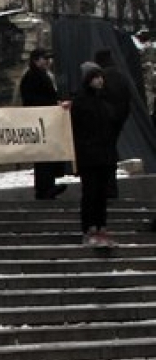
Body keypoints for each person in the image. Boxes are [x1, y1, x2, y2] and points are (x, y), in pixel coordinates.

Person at [71, 62, 118, 247]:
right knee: (90, 192)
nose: (100, 81)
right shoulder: (81, 102)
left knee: (101, 193)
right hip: (89, 156)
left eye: (101, 77)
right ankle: (89, 228)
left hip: (104, 154)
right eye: (96, 77)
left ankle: (101, 226)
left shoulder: (104, 101)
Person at [18, 48, 68, 200]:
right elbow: (32, 100)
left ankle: (47, 186)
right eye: (44, 59)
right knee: (43, 156)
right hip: (40, 120)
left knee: (47, 155)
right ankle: (44, 187)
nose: (47, 62)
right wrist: (53, 104)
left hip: (46, 119)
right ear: (35, 60)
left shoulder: (43, 75)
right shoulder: (32, 76)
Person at [93, 49, 129, 199]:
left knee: (103, 156)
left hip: (105, 122)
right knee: (110, 153)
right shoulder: (121, 76)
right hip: (118, 119)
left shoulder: (103, 77)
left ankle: (106, 189)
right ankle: (111, 189)